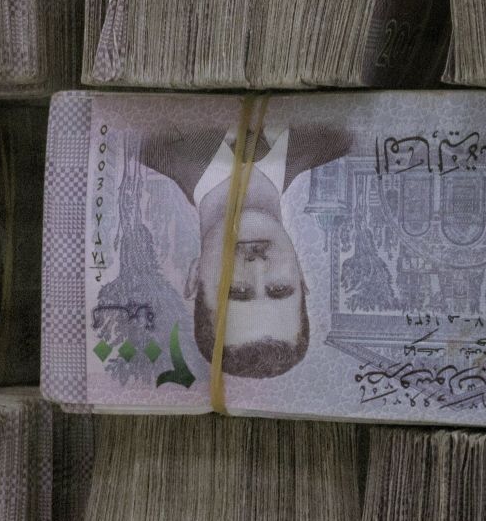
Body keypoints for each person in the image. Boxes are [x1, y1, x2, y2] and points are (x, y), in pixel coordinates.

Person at [137, 124, 350, 379]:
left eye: (235, 290)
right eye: (279, 288)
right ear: (301, 275)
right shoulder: (339, 136)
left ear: (194, 277)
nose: (257, 265)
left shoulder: (140, 141)